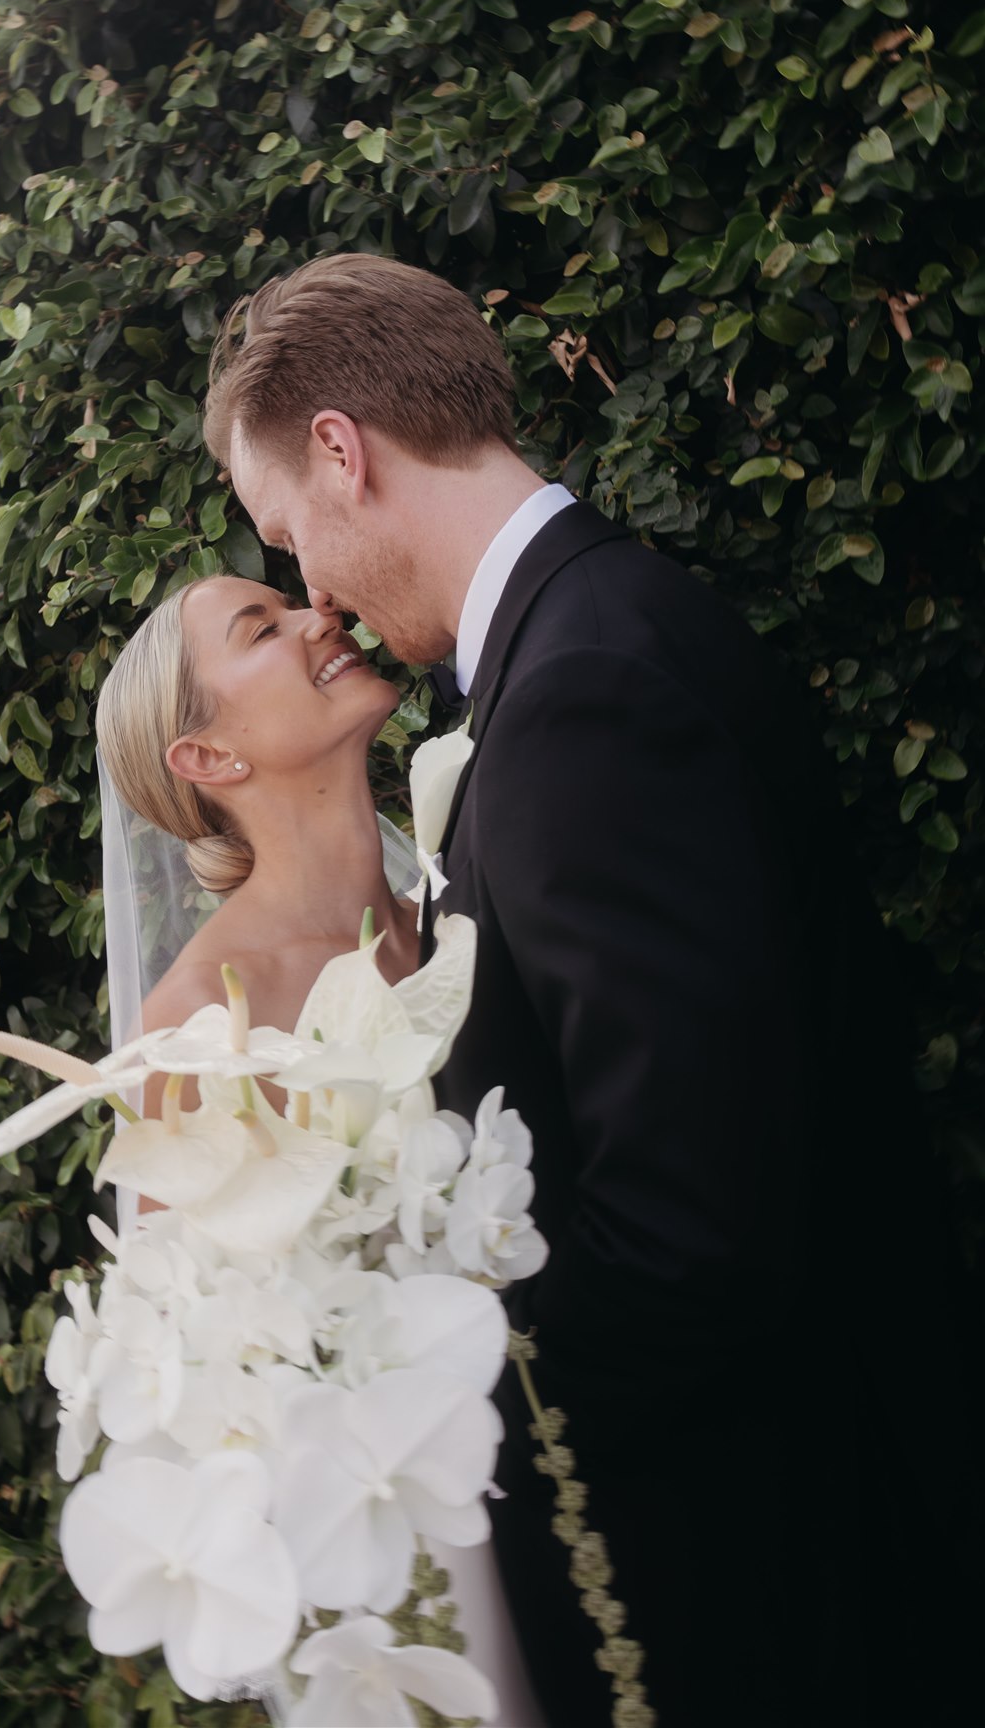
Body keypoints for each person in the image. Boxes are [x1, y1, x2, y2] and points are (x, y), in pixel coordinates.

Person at [202, 250, 981, 1728]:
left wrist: (392, 1398)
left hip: (777, 1579)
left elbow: (696, 1239)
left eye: (287, 532)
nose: (309, 586)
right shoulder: (580, 642)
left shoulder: (581, 697)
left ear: (339, 453)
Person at [94, 571, 545, 1724]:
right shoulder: (205, 1018)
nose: (320, 616)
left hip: (579, 1464)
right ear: (208, 758)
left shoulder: (449, 899)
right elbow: (208, 1383)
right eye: (264, 625)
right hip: (417, 1551)